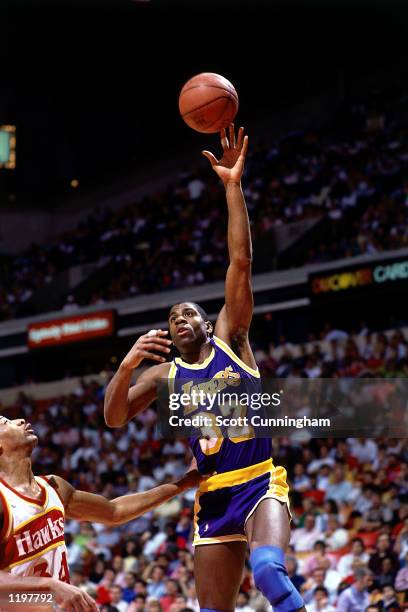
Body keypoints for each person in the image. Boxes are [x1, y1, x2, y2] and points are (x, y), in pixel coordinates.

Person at [105, 124, 305, 612]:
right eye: (173, 317)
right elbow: (113, 417)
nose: (180, 319)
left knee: (267, 572)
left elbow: (240, 261)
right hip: (213, 496)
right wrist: (127, 365)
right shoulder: (162, 377)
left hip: (259, 480)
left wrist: (233, 187)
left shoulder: (232, 339)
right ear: (169, 335)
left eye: (189, 312)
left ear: (208, 324)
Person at [0, 414, 202, 611]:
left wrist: (182, 484)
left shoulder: (54, 487)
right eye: (5, 423)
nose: (19, 420)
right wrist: (49, 586)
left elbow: (115, 511)